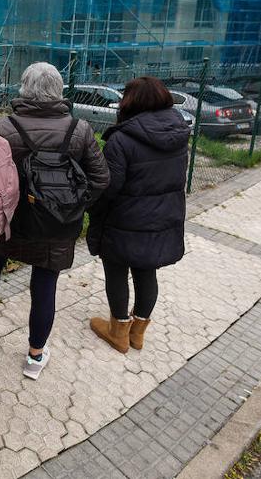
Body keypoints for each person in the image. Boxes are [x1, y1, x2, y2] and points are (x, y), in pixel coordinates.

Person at [0, 62, 109, 380]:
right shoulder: (80, 129)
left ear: (23, 88)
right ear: (59, 91)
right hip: (57, 226)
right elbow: (101, 179)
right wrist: (73, 205)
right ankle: (35, 357)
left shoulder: (4, 128)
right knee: (45, 285)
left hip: (10, 222)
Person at [87, 76, 190, 354]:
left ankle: (118, 331)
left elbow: (109, 188)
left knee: (117, 271)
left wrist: (92, 210)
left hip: (125, 221)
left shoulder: (122, 140)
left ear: (130, 103)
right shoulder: (179, 133)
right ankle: (138, 333)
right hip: (163, 218)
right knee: (147, 271)